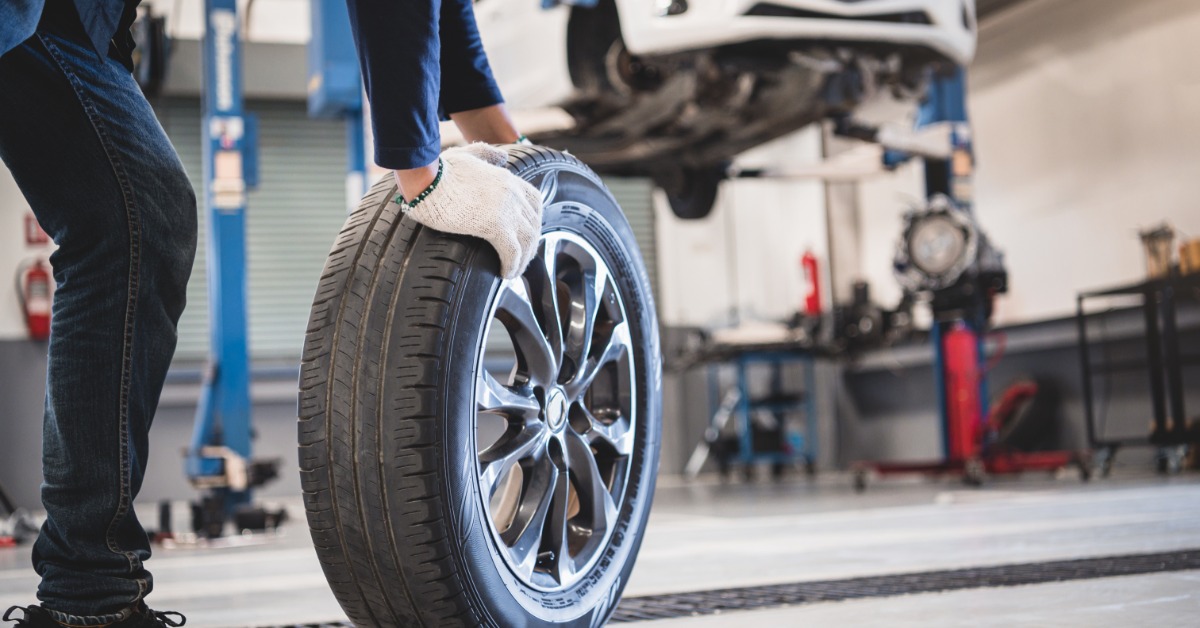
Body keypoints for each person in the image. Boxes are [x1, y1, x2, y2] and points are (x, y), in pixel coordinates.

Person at [0, 0, 541, 625]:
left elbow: (443, 19)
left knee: (133, 221)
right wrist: (421, 170)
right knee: (131, 219)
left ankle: (87, 600)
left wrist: (520, 162)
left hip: (60, 18)